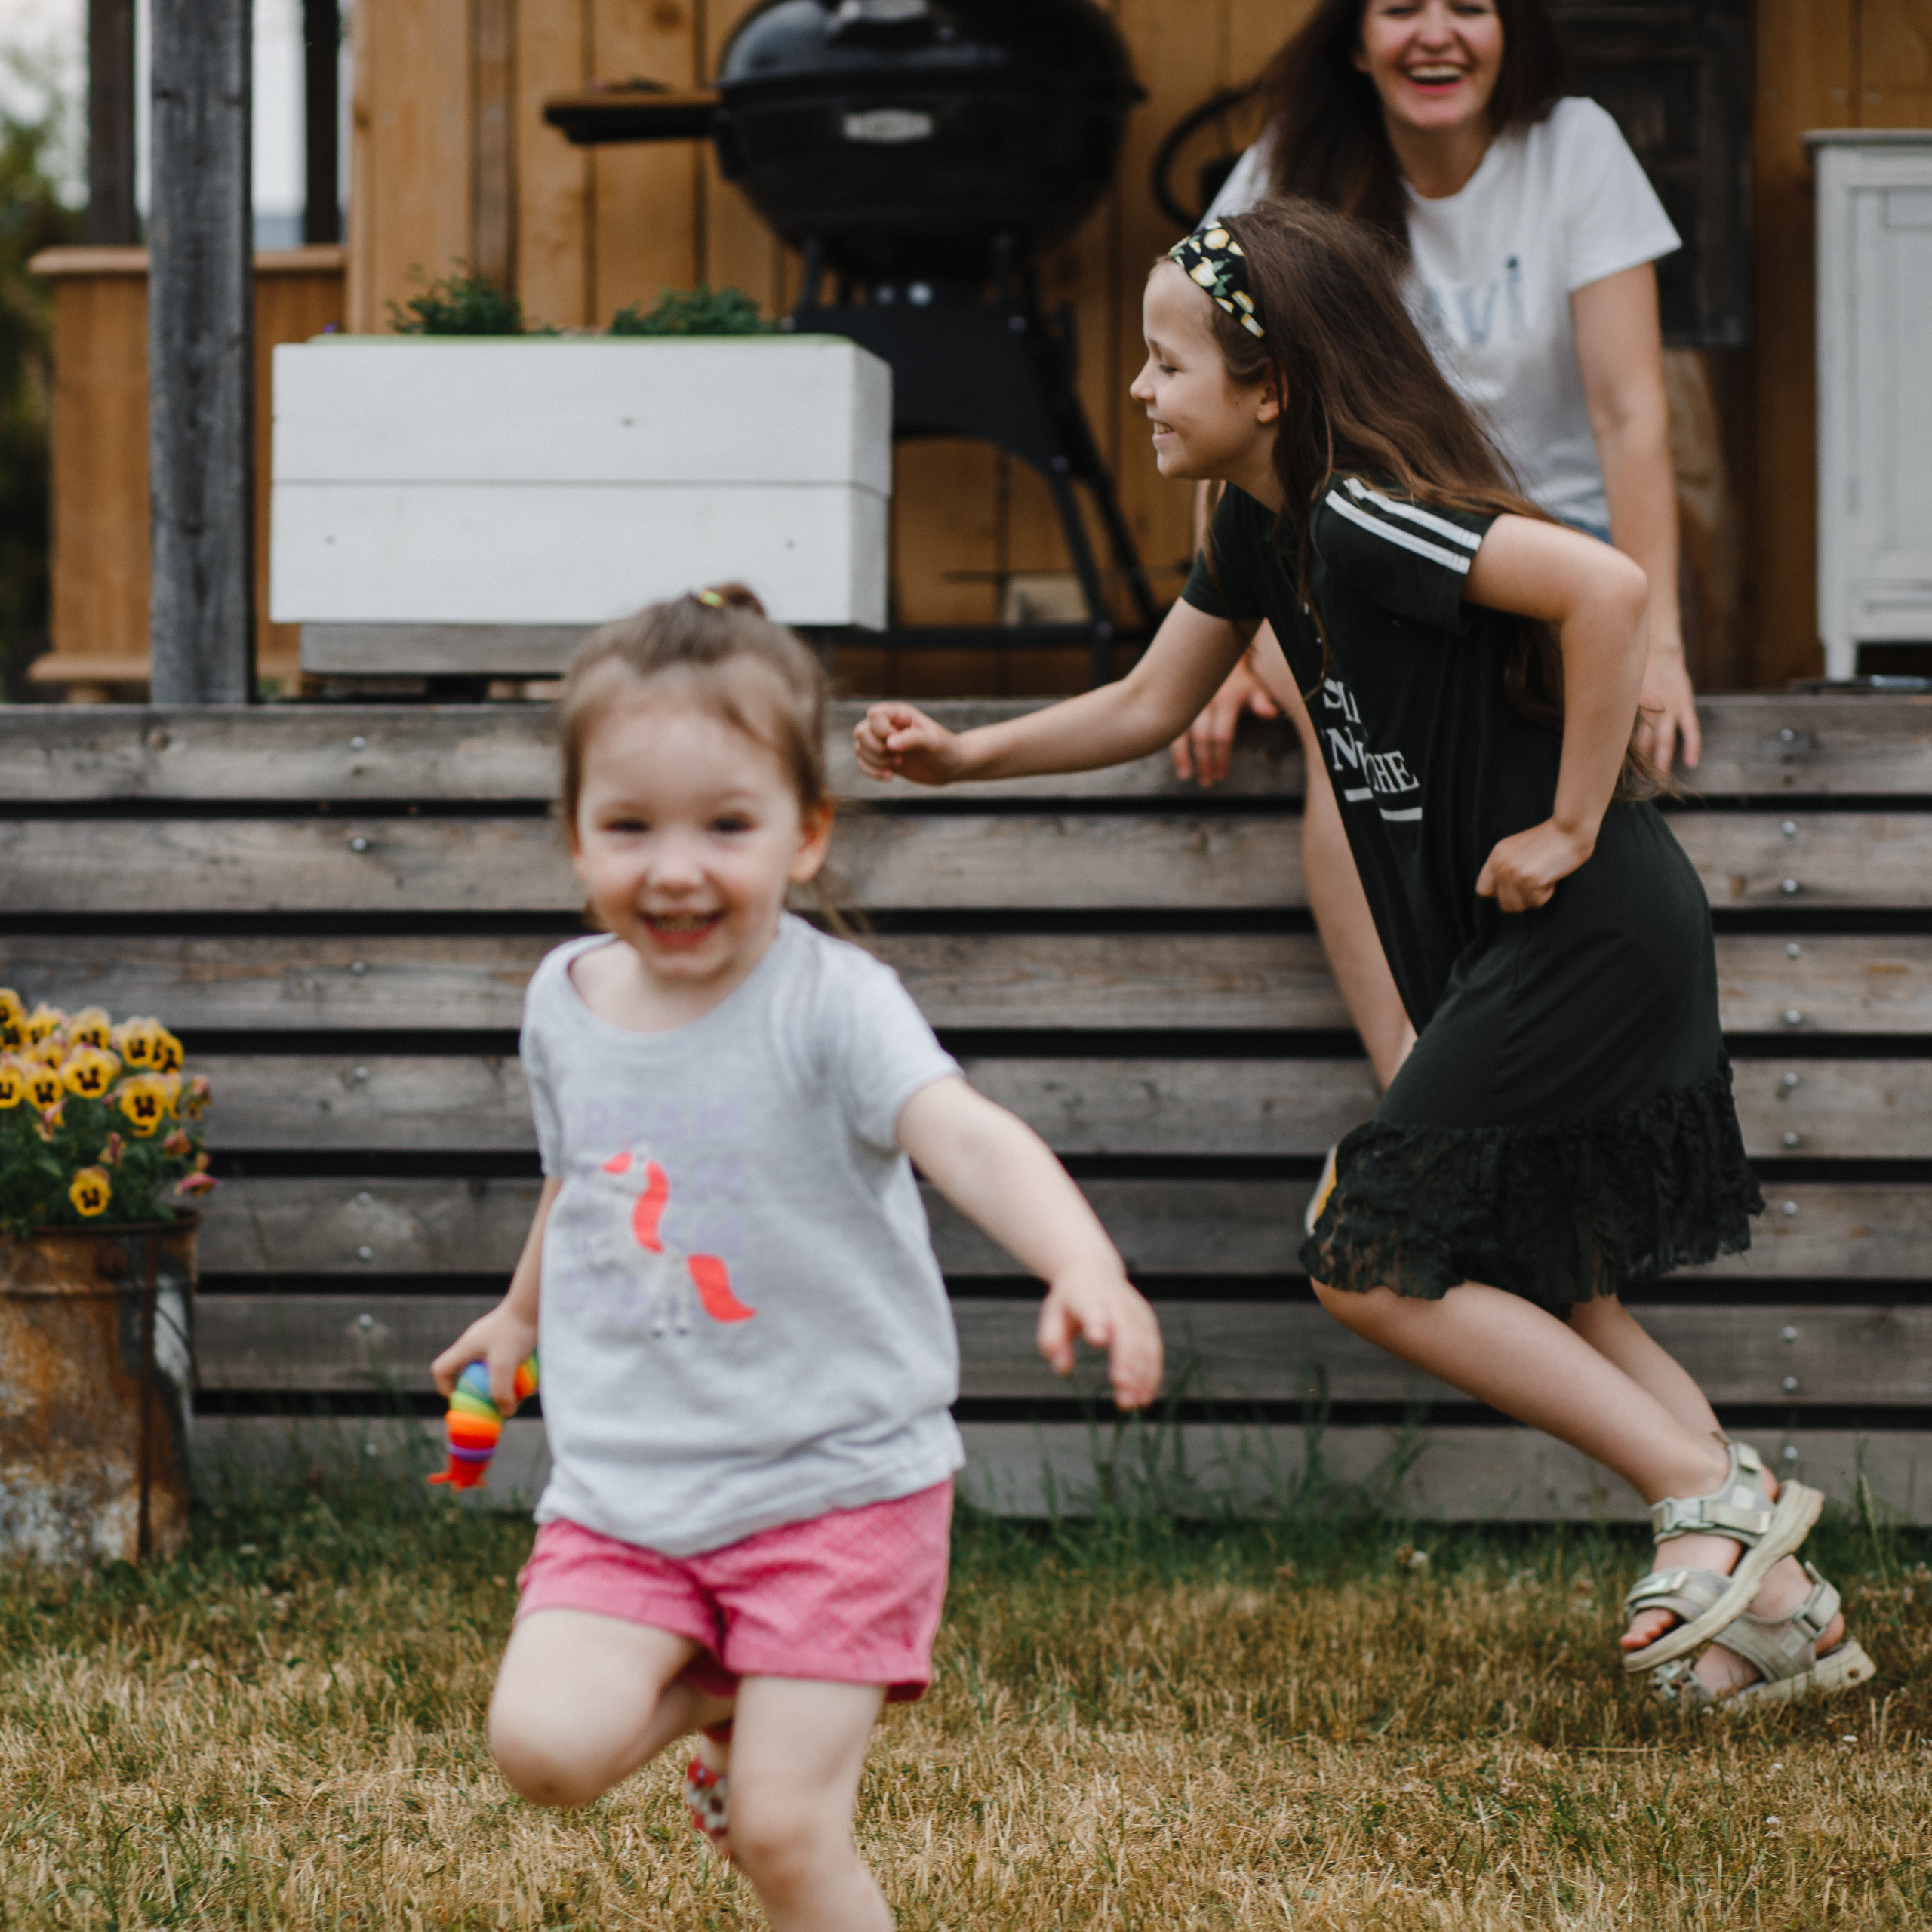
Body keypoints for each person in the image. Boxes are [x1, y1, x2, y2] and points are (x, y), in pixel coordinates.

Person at [855, 201, 1875, 1709]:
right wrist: (964, 756)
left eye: (1164, 362)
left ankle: (1706, 1495)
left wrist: (1570, 825)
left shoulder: (1357, 510)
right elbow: (1147, 702)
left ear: (1267, 387)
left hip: (1582, 929)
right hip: (1528, 941)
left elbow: (1605, 591)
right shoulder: (1261, 530)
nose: (1138, 389)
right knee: (1534, 1267)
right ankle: (1783, 1607)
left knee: (1364, 1248)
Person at [434, 586, 1163, 1931]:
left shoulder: (834, 1006)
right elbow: (586, 1181)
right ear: (576, 837)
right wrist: (516, 1318)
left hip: (836, 1486)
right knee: (542, 1748)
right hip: (631, 1490)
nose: (675, 868)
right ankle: (726, 1682)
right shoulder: (563, 1002)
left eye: (727, 826)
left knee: (782, 1831)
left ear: (807, 834)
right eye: (630, 827)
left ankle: (761, 1718)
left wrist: (1087, 1265)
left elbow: (969, 1138)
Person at [1174, 0, 1696, 1088]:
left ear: (1513, 28)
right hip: (1358, 562)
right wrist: (1229, 628)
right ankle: (1410, 1082)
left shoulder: (1574, 148)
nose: (1436, 34)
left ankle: (1500, 1087)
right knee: (1344, 726)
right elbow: (1222, 396)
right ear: (1355, 40)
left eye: (1470, 5)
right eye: (1401, 6)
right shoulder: (1292, 163)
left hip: (1538, 564)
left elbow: (1632, 413)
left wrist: (1659, 643)